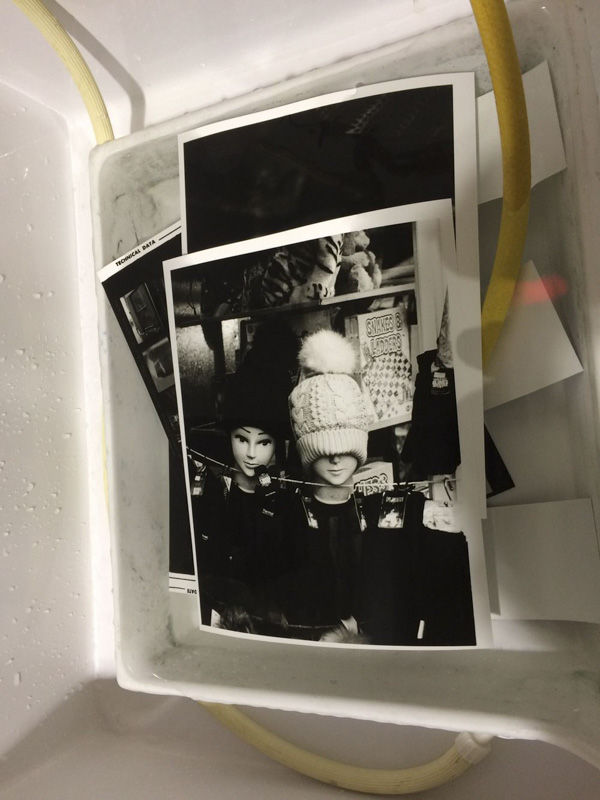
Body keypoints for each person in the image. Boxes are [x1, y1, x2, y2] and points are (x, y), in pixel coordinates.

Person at [285, 329, 371, 642]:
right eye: (321, 448)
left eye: (346, 446)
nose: (335, 457)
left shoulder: (372, 515)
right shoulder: (293, 517)